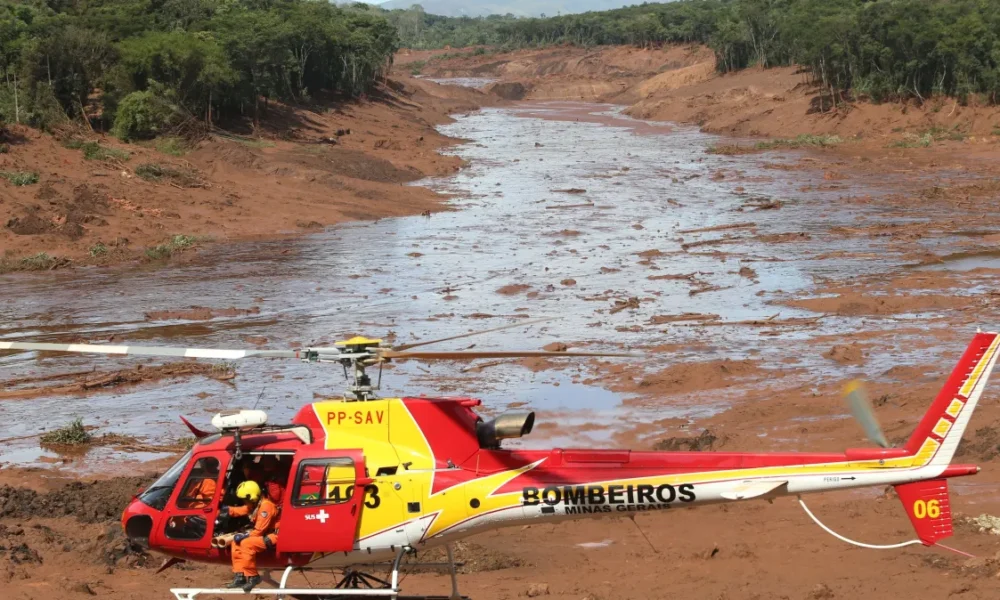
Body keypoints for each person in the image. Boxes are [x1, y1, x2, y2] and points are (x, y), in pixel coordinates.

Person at [223, 480, 280, 592]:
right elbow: (242, 510)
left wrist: (244, 535)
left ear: (251, 498)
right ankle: (239, 576)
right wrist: (225, 510)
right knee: (236, 542)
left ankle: (253, 576)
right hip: (267, 534)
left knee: (246, 544)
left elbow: (258, 531)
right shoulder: (256, 505)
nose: (244, 502)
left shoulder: (266, 507)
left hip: (276, 536)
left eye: (245, 500)